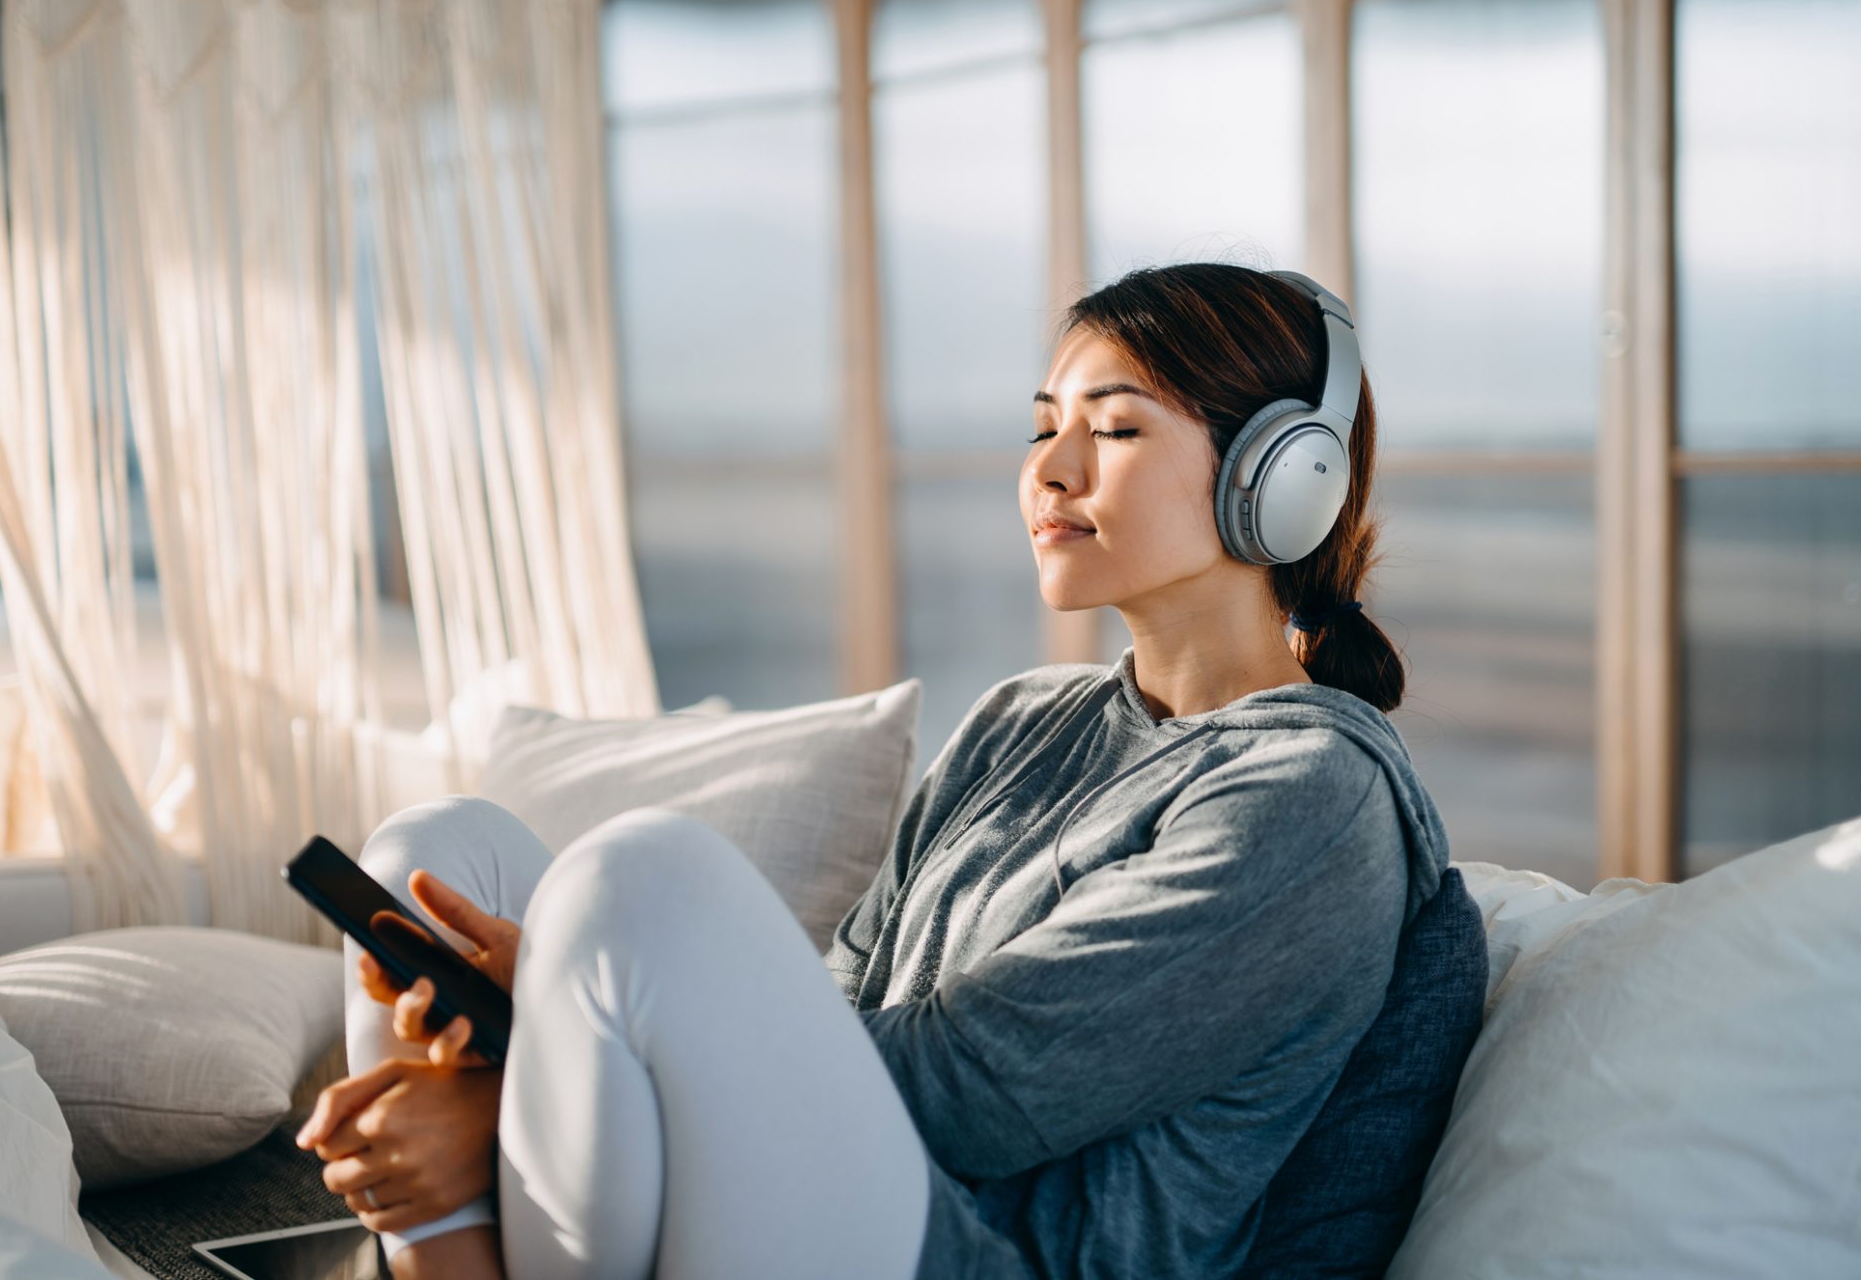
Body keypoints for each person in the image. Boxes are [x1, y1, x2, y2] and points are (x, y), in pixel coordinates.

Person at [295, 262, 1459, 1279]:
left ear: (1281, 477)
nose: (1048, 471)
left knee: (638, 881)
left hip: (985, 1252)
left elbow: (972, 1095)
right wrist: (561, 1026)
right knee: (426, 852)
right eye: (1040, 423)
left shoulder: (1312, 798)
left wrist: (519, 1090)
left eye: (1109, 430)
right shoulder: (1025, 719)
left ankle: (480, 1182)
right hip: (829, 1193)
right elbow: (844, 992)